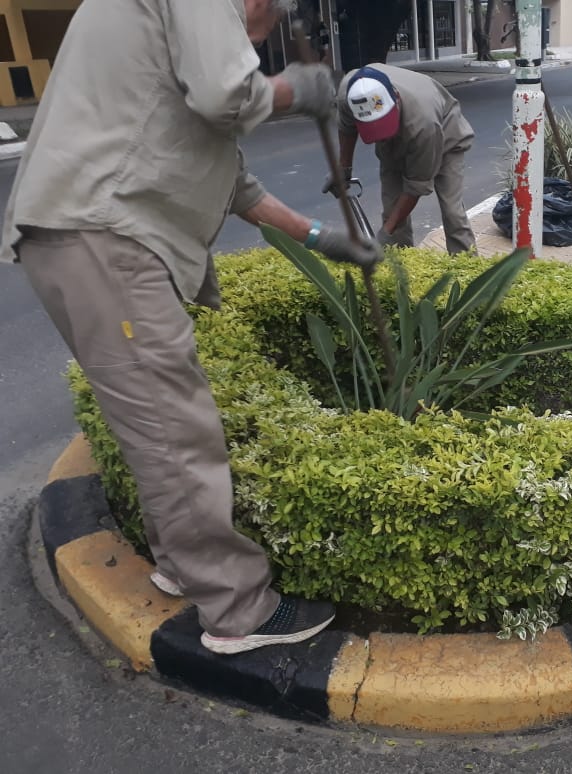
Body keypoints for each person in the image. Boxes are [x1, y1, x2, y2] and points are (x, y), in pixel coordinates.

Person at [1, 0, 380, 655]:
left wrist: (324, 238)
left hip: (84, 236)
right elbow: (227, 95)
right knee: (179, 430)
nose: (265, 34)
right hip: (108, 238)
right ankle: (238, 607)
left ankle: (182, 563)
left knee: (155, 423)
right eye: (273, 17)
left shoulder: (163, 38)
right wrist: (297, 89)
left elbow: (238, 186)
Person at [323, 64, 477, 255]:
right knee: (392, 212)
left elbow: (416, 186)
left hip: (446, 135)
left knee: (453, 213)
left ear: (396, 98)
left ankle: (468, 265)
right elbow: (347, 127)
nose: (381, 136)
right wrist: (343, 168)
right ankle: (401, 265)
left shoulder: (424, 124)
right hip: (398, 142)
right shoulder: (349, 93)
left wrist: (385, 233)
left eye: (382, 124)